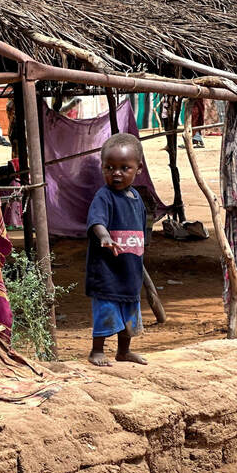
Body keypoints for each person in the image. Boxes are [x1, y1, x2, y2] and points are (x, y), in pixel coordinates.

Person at [86, 133, 148, 367]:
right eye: (110, 167)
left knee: (130, 311)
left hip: (130, 270)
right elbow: (96, 221)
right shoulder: (104, 196)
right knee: (107, 310)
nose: (117, 173)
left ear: (138, 168)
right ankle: (97, 350)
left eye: (125, 168)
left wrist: (141, 253)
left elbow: (141, 228)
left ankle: (124, 351)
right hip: (107, 272)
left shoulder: (136, 198)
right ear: (102, 167)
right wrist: (104, 237)